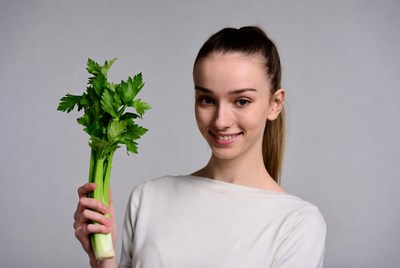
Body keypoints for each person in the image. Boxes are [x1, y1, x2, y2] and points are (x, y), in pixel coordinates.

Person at [74, 26, 326, 268]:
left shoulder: (297, 223)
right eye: (207, 99)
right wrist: (102, 259)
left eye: (241, 101)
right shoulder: (148, 198)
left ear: (275, 104)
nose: (220, 120)